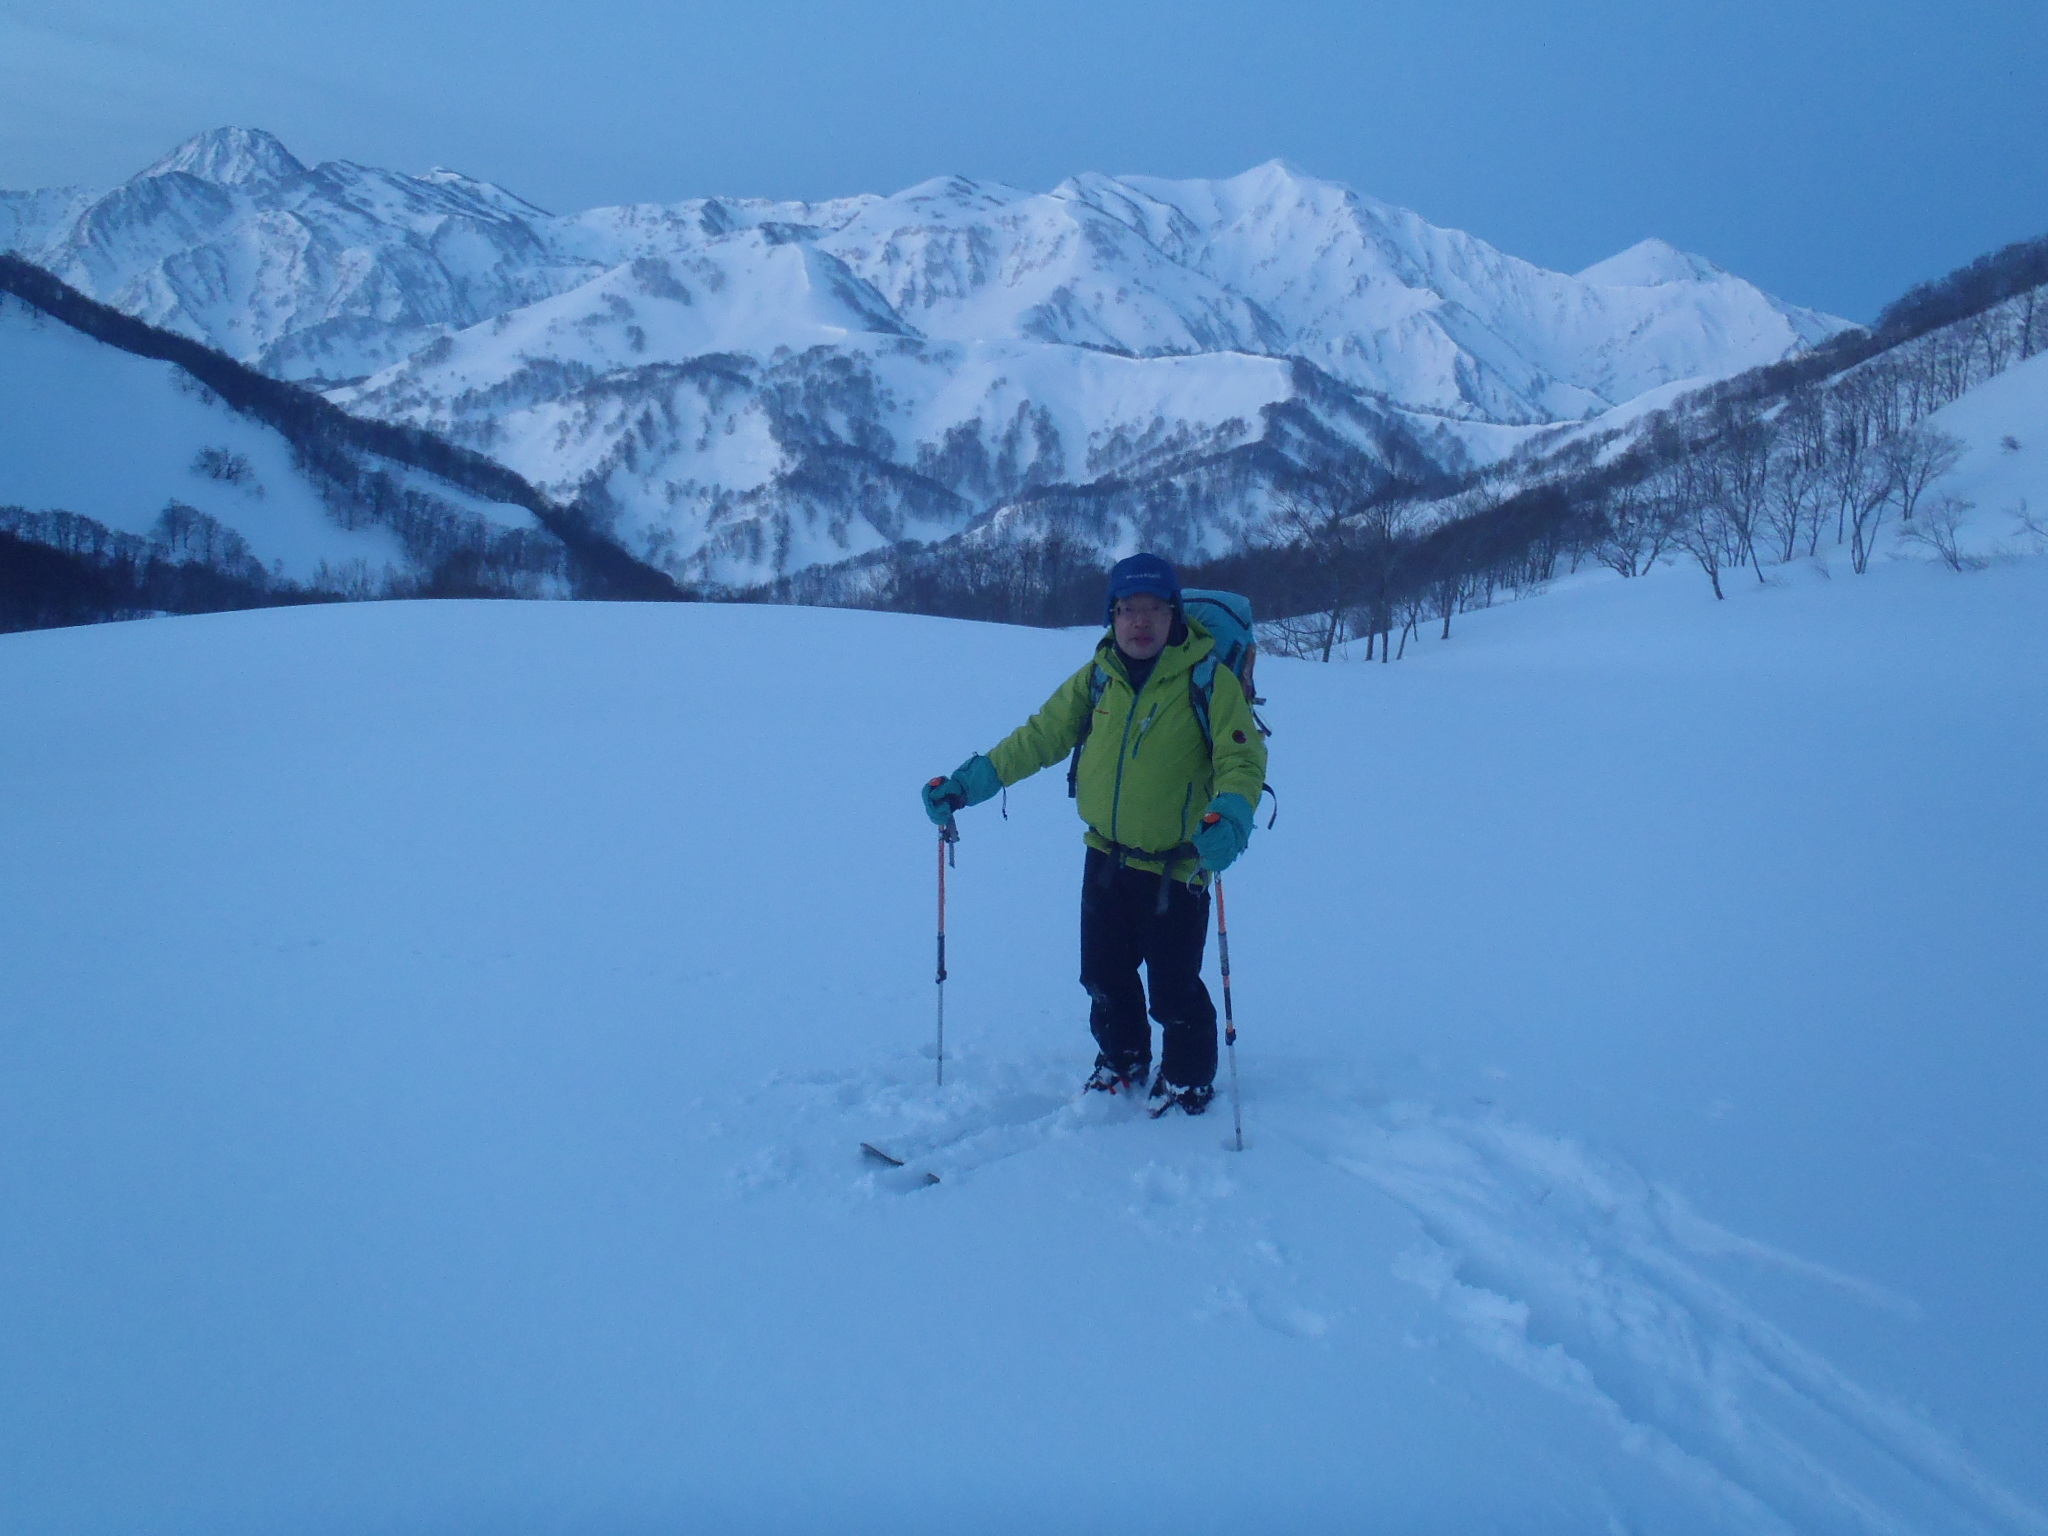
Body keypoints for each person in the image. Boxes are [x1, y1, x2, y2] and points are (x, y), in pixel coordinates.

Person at [920, 553, 1267, 1115]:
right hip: (1105, 857)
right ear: (1112, 615)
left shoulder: (1208, 679)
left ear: (1174, 614)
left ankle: (1186, 1078)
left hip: (1179, 865)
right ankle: (1123, 1057)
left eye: (1154, 609)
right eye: (1129, 609)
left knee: (1175, 988)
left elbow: (1242, 761)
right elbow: (1040, 737)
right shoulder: (1099, 676)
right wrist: (966, 784)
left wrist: (1230, 818)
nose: (1140, 622)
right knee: (1103, 975)